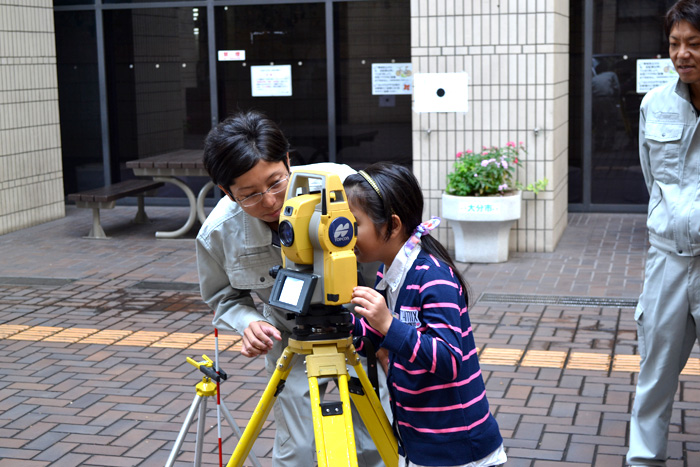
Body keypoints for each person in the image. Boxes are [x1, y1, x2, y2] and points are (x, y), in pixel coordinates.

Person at [196, 110, 385, 466]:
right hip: (290, 339)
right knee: (298, 451)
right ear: (227, 192)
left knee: (372, 443)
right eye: (249, 194)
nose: (269, 201)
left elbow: (389, 262)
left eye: (276, 183)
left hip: (363, 335)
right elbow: (222, 297)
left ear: (287, 160)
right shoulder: (218, 233)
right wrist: (247, 322)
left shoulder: (345, 189)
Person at [344, 162, 506, 467]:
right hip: (419, 440)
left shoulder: (432, 276)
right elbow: (376, 337)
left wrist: (388, 324)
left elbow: (449, 360)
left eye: (354, 223)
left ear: (391, 226)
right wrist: (341, 323)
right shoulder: (389, 273)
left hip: (458, 448)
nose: (344, 233)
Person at [628, 1, 700, 465]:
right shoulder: (654, 104)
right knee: (654, 374)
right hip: (668, 262)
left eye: (694, 43)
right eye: (675, 44)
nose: (682, 54)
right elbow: (651, 177)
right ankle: (643, 461)